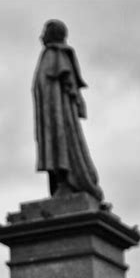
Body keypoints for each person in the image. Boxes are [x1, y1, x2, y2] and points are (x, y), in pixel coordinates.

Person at [32, 19, 103, 201]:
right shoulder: (49, 55)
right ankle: (60, 184)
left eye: (44, 32)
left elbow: (69, 86)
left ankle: (67, 182)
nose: (40, 36)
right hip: (48, 118)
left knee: (61, 146)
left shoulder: (56, 54)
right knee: (53, 147)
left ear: (53, 34)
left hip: (58, 117)